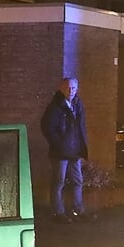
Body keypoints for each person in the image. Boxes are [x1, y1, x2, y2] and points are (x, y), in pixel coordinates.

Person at [41, 76, 90, 222]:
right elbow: (47, 127)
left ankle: (78, 209)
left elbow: (80, 127)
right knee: (59, 182)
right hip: (60, 152)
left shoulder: (77, 104)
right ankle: (58, 212)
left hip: (74, 151)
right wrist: (59, 143)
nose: (71, 91)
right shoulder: (55, 106)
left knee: (77, 181)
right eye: (68, 88)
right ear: (62, 88)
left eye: (74, 88)